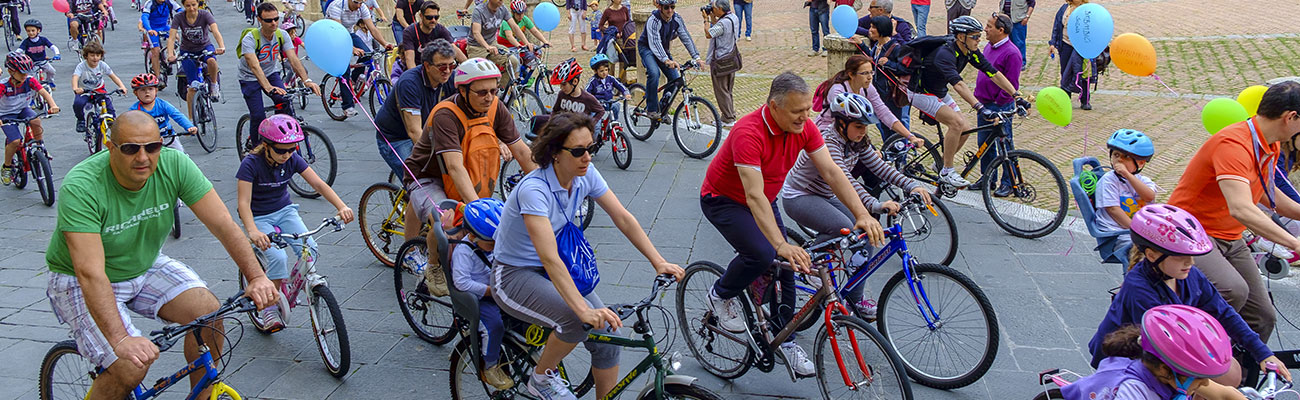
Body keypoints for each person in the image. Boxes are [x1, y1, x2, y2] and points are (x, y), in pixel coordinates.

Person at [44, 110, 279, 400]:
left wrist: (256, 276)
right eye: (131, 148)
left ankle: (202, 396)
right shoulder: (82, 186)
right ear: (110, 146)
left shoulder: (174, 164)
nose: (143, 158)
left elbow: (223, 224)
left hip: (142, 262)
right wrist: (121, 339)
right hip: (80, 279)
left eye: (153, 147)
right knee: (130, 367)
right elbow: (90, 272)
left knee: (209, 313)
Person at [491, 112, 684, 400]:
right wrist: (582, 310)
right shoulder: (534, 190)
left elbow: (623, 217)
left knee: (608, 334)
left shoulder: (584, 175)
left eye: (591, 149)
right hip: (514, 275)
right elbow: (550, 258)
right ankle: (541, 379)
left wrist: (658, 261)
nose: (588, 158)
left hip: (554, 269)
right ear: (555, 152)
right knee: (575, 319)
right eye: (579, 151)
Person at [700, 72, 879, 377]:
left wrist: (861, 213)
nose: (805, 117)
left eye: (808, 109)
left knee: (786, 268)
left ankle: (786, 340)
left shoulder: (805, 127)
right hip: (725, 199)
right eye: (798, 111)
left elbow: (833, 173)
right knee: (762, 254)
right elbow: (753, 195)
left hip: (764, 198)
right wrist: (780, 245)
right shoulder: (748, 132)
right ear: (774, 107)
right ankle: (720, 294)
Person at [1087, 204, 1290, 388]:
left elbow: (1224, 313)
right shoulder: (1140, 290)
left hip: (1163, 351)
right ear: (1151, 256)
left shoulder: (1189, 275)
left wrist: (1263, 354)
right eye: (1181, 257)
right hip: (1129, 358)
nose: (1190, 263)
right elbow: (1163, 350)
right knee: (1214, 381)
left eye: (1191, 256)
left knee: (1229, 372)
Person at [1165, 81, 1300, 346]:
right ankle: (1182, 356)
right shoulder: (1234, 144)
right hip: (1190, 232)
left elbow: (1267, 194)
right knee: (1232, 290)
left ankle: (1238, 376)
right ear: (1291, 117)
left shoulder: (1268, 144)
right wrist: (1294, 242)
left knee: (1262, 317)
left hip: (1228, 236)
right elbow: (1241, 208)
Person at [783, 93, 930, 319]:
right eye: (858, 125)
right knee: (843, 227)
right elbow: (845, 179)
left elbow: (879, 167)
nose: (863, 131)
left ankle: (855, 297)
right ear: (842, 123)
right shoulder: (829, 141)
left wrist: (912, 185)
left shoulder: (857, 142)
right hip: (799, 196)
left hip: (826, 195)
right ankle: (809, 266)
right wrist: (873, 205)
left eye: (865, 126)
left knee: (866, 233)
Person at [401, 58, 535, 296]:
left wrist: (547, 188)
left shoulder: (495, 107)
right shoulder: (446, 115)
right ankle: (433, 267)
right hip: (427, 176)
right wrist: (476, 209)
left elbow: (523, 152)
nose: (489, 97)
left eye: (494, 90)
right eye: (482, 92)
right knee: (447, 220)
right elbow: (454, 167)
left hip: (468, 171)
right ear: (462, 91)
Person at [236, 114, 355, 330]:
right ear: (266, 145)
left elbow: (318, 184)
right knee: (277, 257)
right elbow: (243, 203)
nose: (287, 155)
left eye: (292, 149)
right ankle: (269, 307)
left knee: (310, 248)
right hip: (259, 216)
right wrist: (252, 230)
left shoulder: (292, 160)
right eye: (281, 150)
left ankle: (292, 284)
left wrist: (341, 206)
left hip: (285, 211)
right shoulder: (250, 164)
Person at [907, 16, 1022, 188]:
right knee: (957, 123)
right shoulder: (944, 54)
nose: (979, 39)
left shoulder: (969, 51)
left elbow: (993, 73)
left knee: (966, 129)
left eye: (979, 35)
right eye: (974, 36)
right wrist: (980, 107)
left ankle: (940, 163)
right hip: (920, 93)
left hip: (939, 91)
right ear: (961, 37)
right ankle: (947, 171)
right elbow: (959, 85)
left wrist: (1016, 95)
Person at [1072, 307, 1249, 400]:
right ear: (1165, 370)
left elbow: (1226, 395)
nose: (1204, 382)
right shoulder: (1133, 391)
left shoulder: (1177, 376)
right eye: (1198, 376)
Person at [376, 40, 456, 198]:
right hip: (396, 137)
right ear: (427, 66)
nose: (447, 71)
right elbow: (414, 131)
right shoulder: (410, 82)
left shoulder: (449, 77)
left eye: (451, 65)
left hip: (428, 129)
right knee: (422, 187)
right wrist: (438, 157)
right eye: (442, 66)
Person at [448, 198, 512, 390]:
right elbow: (461, 282)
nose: (495, 245)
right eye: (491, 242)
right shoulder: (464, 252)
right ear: (474, 237)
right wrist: (488, 291)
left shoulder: (488, 243)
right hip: (480, 298)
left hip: (497, 289)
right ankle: (490, 365)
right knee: (494, 326)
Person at [237, 2, 320, 152]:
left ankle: (277, 135)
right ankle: (257, 150)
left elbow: (293, 59)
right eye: (269, 20)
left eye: (276, 19)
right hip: (249, 77)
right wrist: (268, 87)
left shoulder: (281, 35)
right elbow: (254, 66)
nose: (274, 23)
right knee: (258, 114)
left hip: (271, 73)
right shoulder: (250, 39)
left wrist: (306, 80)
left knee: (284, 102)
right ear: (259, 20)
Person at [970, 12, 1023, 194]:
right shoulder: (988, 47)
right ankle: (987, 178)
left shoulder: (1012, 53)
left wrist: (999, 104)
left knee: (1005, 145)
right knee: (984, 144)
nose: (986, 29)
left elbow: (1012, 84)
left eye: (989, 26)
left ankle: (1008, 182)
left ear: (1001, 30)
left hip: (999, 106)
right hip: (984, 105)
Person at [813, 55, 920, 146]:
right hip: (828, 132)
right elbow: (845, 123)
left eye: (871, 72)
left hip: (853, 134)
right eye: (864, 73)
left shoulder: (867, 88)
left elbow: (883, 112)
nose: (869, 77)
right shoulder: (838, 91)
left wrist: (910, 136)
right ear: (851, 74)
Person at [1092, 129, 1156, 260]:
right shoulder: (1109, 181)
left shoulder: (1142, 181)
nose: (1119, 160)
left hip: (1136, 232)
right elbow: (1113, 209)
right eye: (1116, 155)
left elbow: (1149, 196)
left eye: (1126, 157)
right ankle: (1135, 279)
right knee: (1145, 254)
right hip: (1117, 234)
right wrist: (1138, 231)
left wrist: (1128, 175)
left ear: (1141, 163)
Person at [325, 0, 393, 119]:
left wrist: (385, 43)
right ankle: (347, 106)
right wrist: (352, 48)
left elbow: (373, 29)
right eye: (356, 3)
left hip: (349, 34)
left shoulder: (362, 7)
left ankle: (354, 79)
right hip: (333, 35)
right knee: (344, 70)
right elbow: (338, 33)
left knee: (367, 54)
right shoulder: (336, 6)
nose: (359, 6)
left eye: (361, 3)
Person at [0, 53, 57, 185]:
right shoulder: (3, 85)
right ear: (11, 71)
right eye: (21, 73)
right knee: (15, 141)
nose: (25, 75)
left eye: (27, 72)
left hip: (23, 110)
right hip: (6, 114)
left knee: (36, 121)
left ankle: (40, 145)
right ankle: (7, 166)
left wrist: (53, 105)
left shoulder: (29, 80)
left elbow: (43, 92)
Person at [638, 0, 700, 120]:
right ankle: (651, 109)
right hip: (647, 48)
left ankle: (662, 108)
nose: (670, 10)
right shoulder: (653, 20)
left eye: (672, 7)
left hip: (663, 49)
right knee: (654, 73)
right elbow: (655, 43)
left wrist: (696, 57)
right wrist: (666, 60)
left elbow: (685, 37)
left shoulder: (676, 19)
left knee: (675, 79)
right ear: (660, 7)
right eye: (666, 7)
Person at [166, 0, 224, 118]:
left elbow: (215, 30)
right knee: (192, 87)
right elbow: (171, 37)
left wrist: (221, 46)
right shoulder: (179, 17)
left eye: (193, 5)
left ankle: (214, 84)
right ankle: (191, 119)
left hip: (204, 47)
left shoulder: (205, 15)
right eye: (188, 6)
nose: (191, 8)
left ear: (198, 4)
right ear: (183, 5)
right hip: (187, 50)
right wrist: (170, 54)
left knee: (211, 61)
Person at [127, 73, 193, 153]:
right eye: (143, 90)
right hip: (148, 141)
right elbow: (129, 125)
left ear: (156, 90)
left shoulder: (162, 104)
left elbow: (177, 115)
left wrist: (189, 126)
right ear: (136, 93)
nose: (147, 92)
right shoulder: (134, 110)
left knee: (180, 156)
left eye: (150, 89)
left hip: (168, 137)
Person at [71, 41, 126, 134]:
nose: (95, 58)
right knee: (78, 104)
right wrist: (76, 88)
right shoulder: (81, 66)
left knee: (109, 106)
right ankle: (81, 120)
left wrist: (122, 86)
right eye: (92, 55)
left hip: (99, 89)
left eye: (98, 55)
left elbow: (113, 76)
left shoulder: (102, 65)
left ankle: (112, 123)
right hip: (85, 90)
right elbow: (75, 77)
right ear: (86, 56)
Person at [468, 0, 525, 89]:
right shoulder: (479, 10)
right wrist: (487, 46)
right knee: (479, 76)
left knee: (513, 62)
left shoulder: (503, 9)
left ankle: (498, 89)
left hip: (493, 44)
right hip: (476, 47)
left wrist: (525, 43)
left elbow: (515, 27)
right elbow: (476, 33)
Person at [1048, 0, 1094, 110]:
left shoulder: (1088, 10)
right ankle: (1065, 98)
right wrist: (1053, 43)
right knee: (1065, 72)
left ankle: (1085, 100)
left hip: (1081, 46)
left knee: (1082, 72)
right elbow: (1057, 26)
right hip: (1065, 44)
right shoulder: (1064, 8)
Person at [704, 0, 739, 126]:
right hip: (731, 58)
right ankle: (729, 114)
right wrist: (713, 17)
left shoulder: (723, 23)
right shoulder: (733, 17)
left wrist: (706, 19)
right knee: (728, 89)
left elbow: (709, 34)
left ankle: (728, 118)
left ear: (720, 9)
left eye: (713, 8)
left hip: (720, 61)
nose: (712, 9)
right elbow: (718, 28)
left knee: (721, 90)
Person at [400, 1, 464, 71]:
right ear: (421, 16)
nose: (433, 20)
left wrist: (469, 66)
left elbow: (453, 48)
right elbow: (410, 60)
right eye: (429, 17)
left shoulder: (440, 29)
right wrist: (416, 78)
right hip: (417, 69)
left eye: (436, 17)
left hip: (435, 70)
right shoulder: (409, 32)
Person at [498, 0, 548, 72]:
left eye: (522, 13)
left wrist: (545, 41)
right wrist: (519, 45)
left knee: (536, 52)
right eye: (518, 14)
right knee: (516, 62)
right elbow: (509, 37)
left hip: (519, 44)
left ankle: (524, 73)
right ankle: (515, 79)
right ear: (513, 12)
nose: (521, 16)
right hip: (507, 45)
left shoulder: (524, 19)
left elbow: (534, 31)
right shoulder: (507, 20)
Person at [137, 0, 179, 81]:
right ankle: (158, 77)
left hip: (165, 27)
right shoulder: (150, 3)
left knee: (177, 38)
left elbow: (181, 12)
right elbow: (144, 17)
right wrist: (149, 29)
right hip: (153, 28)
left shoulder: (170, 2)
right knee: (156, 51)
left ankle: (169, 56)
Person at [19, 20, 59, 85]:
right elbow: (20, 50)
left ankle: (50, 81)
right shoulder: (26, 42)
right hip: (32, 63)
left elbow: (52, 47)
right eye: (28, 31)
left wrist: (57, 54)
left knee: (52, 71)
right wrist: (15, 55)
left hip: (43, 61)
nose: (31, 33)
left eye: (33, 30)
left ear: (38, 30)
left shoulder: (43, 40)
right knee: (31, 78)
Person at [1003, 0, 1034, 68]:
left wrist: (1027, 17)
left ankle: (1021, 63)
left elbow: (1032, 3)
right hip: (1005, 20)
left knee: (1019, 42)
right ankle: (1010, 61)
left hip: (1018, 20)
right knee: (1007, 43)